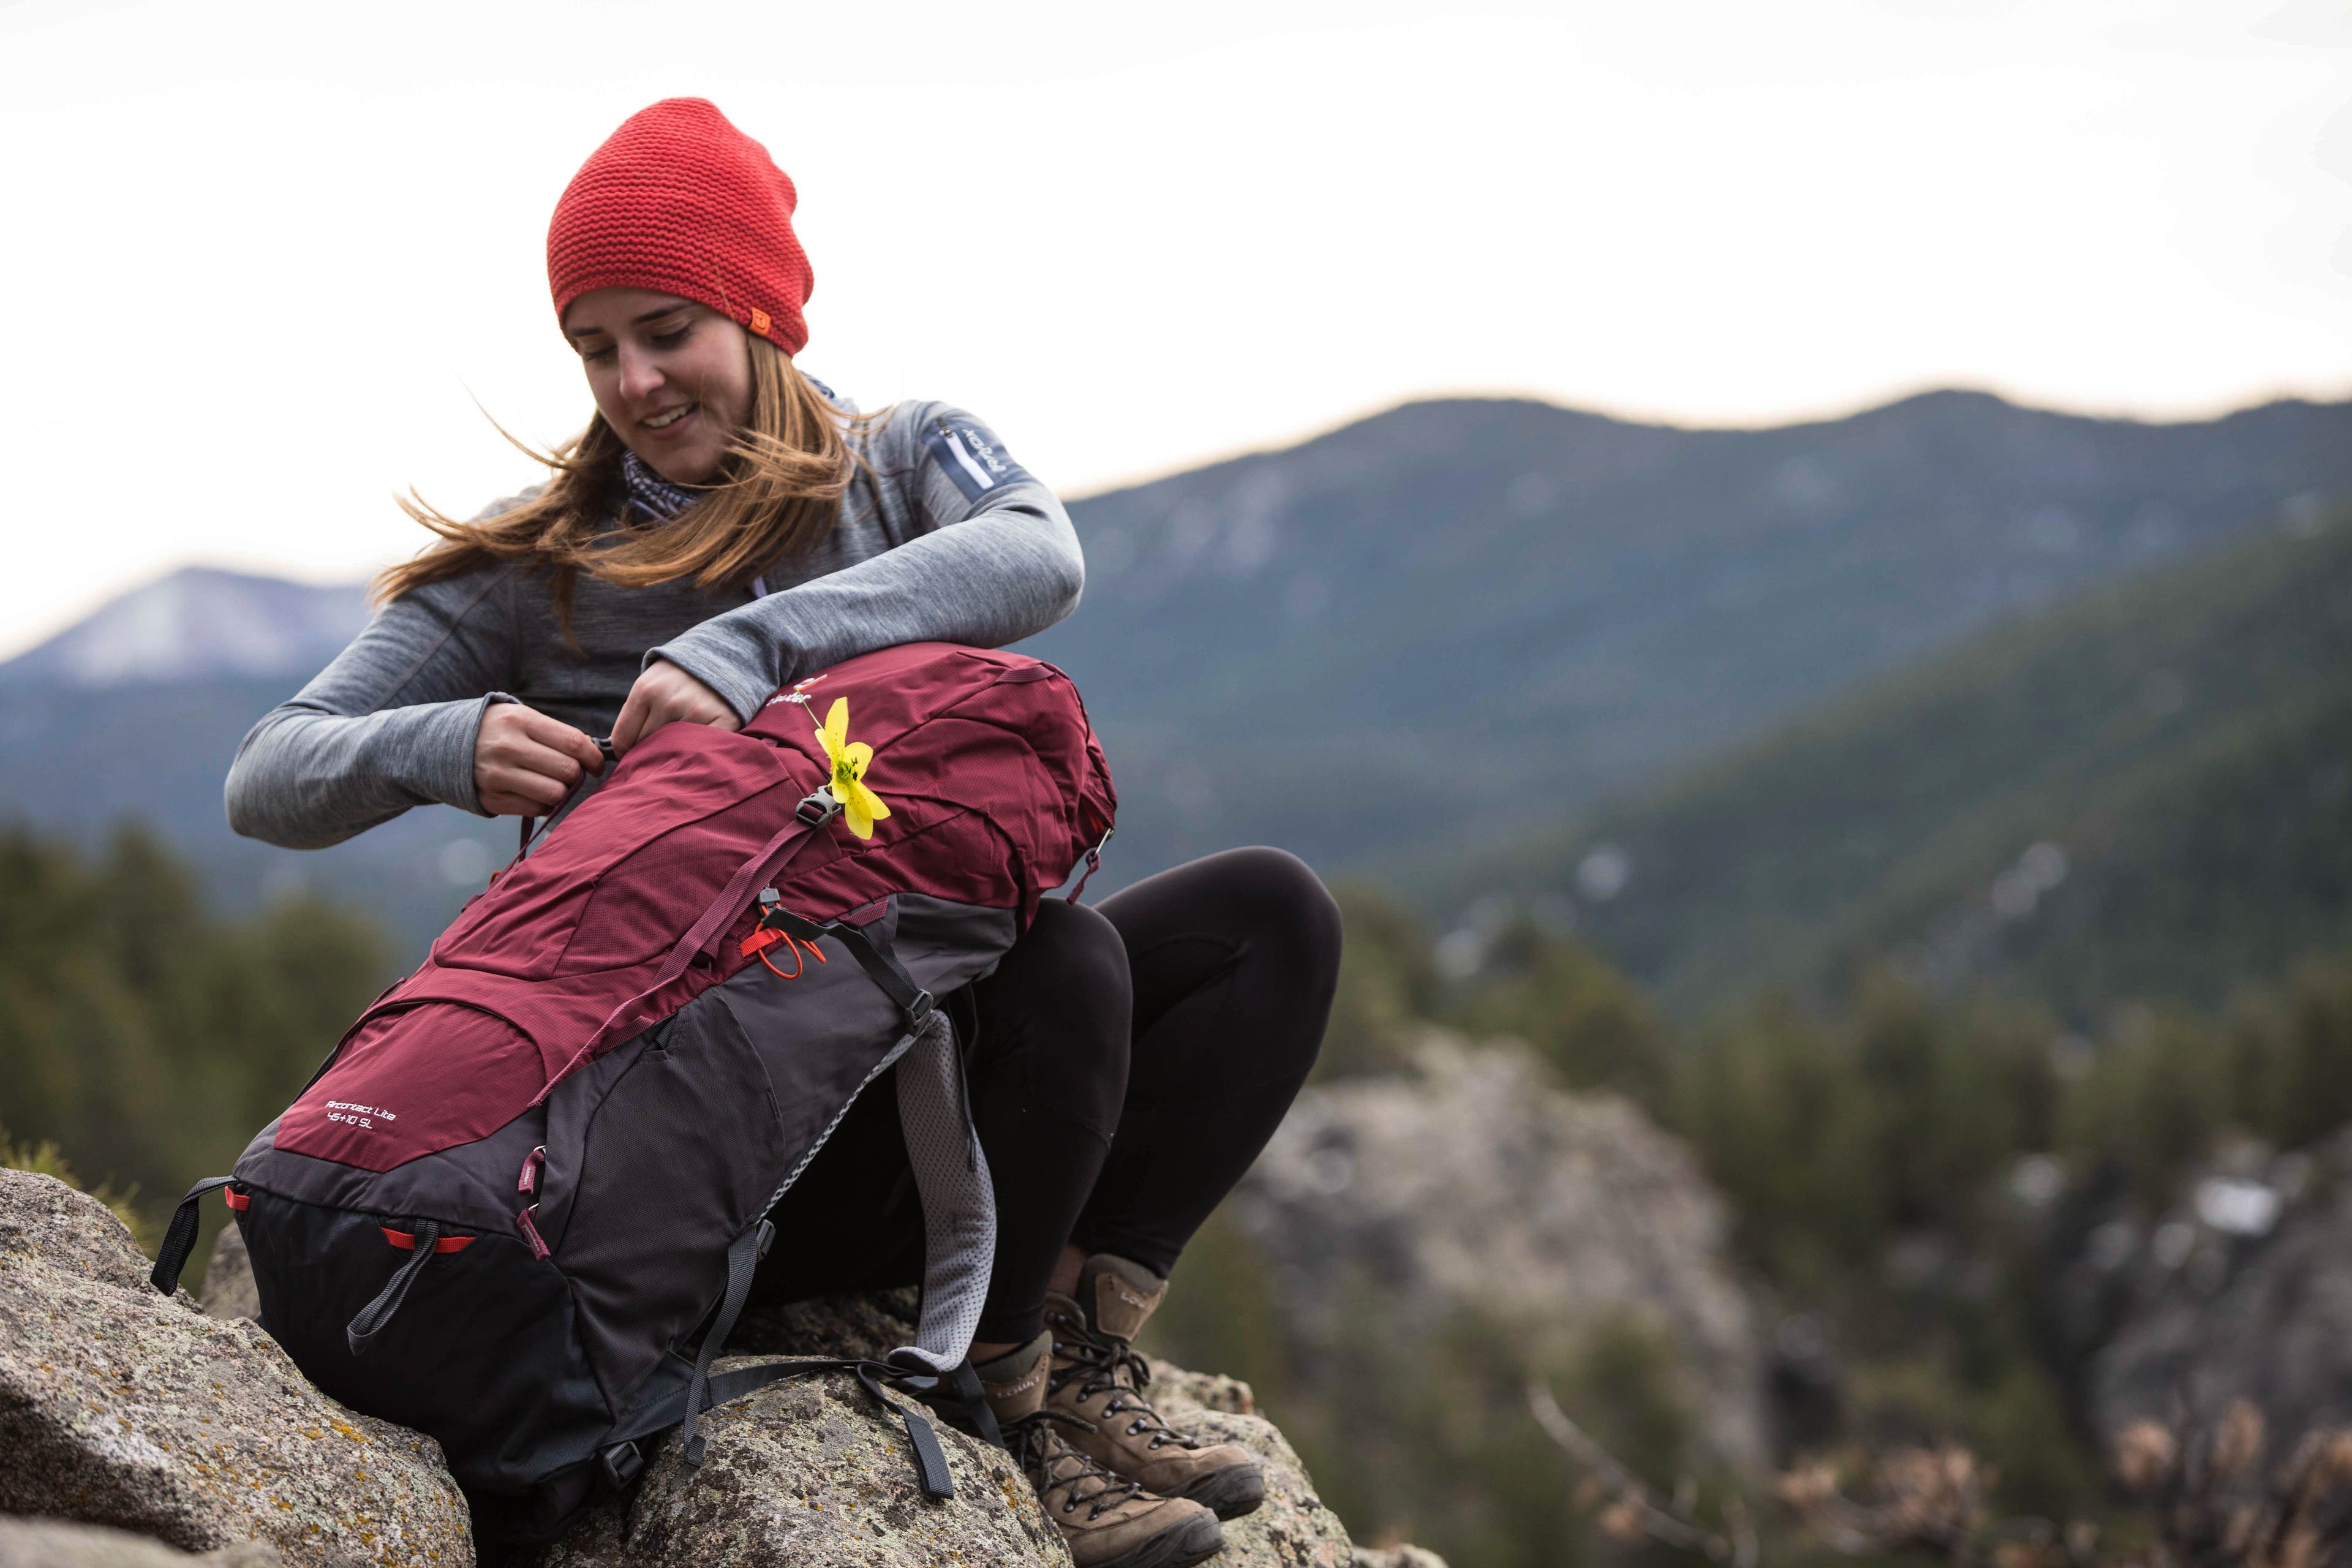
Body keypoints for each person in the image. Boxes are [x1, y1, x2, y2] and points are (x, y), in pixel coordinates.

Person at [224, 97, 1340, 1568]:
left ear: (762, 310)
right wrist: (442, 742)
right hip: (696, 1146)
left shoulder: (900, 462)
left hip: (930, 1089)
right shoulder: (540, 567)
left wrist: (749, 650)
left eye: (667, 328)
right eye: (593, 344)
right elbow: (269, 773)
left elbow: (1037, 553)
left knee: (1269, 917)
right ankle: (1003, 1402)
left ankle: (1066, 1345)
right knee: (1063, 959)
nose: (631, 379)